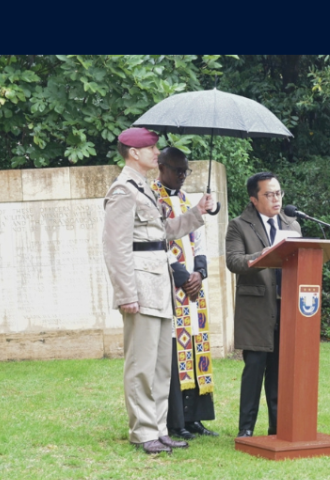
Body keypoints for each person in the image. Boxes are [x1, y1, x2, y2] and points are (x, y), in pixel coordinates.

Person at [101, 127, 215, 454]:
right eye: (150, 147)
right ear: (133, 153)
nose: (156, 152)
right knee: (141, 364)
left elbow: (164, 232)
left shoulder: (144, 189)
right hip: (140, 285)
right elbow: (115, 247)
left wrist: (197, 213)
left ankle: (160, 427)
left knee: (162, 365)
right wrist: (126, 294)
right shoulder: (123, 190)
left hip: (160, 285)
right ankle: (142, 432)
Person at [225, 172, 301, 437]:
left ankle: (277, 428)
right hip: (256, 307)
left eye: (279, 193)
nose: (276, 199)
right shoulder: (239, 225)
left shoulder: (292, 225)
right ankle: (246, 429)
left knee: (280, 371)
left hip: (287, 306)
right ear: (253, 199)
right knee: (255, 368)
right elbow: (234, 261)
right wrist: (267, 253)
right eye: (269, 194)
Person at [154, 147, 219, 440]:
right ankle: (175, 421)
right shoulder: (153, 199)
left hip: (193, 287)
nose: (182, 176)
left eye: (186, 171)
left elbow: (199, 242)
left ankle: (196, 418)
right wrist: (182, 277)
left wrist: (200, 273)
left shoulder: (187, 200)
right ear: (161, 167)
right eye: (177, 170)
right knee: (175, 352)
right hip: (172, 285)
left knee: (195, 346)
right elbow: (159, 243)